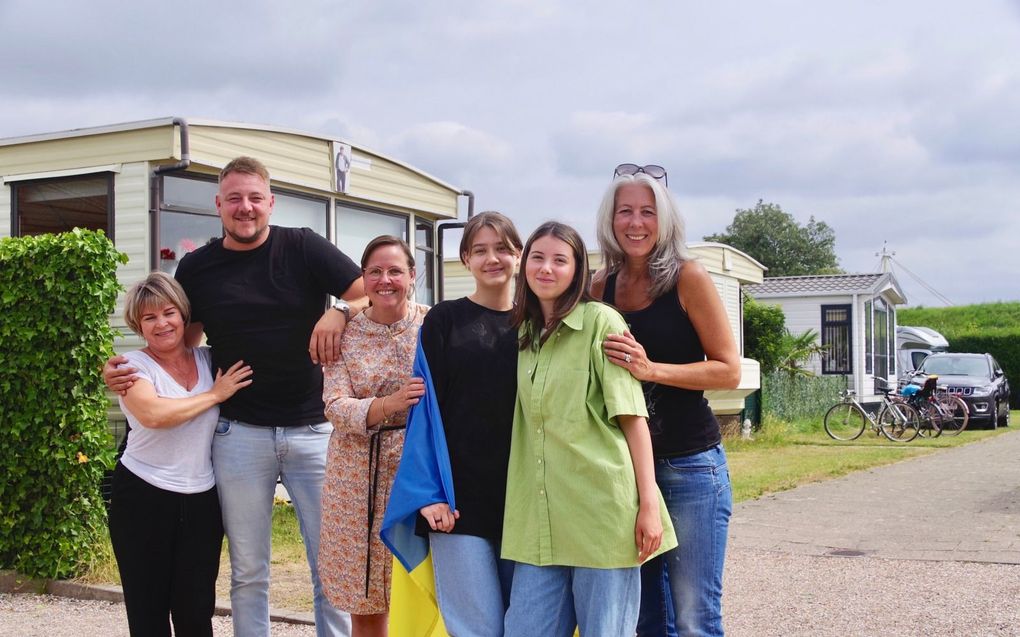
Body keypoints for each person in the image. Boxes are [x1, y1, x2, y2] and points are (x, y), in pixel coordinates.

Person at [104, 156, 366, 637]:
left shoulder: (304, 246)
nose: (245, 208)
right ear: (218, 205)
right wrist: (127, 368)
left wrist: (340, 311)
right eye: (234, 199)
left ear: (270, 202)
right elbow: (176, 335)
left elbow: (369, 288)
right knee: (248, 570)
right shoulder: (199, 267)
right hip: (239, 434)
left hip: (312, 429)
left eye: (254, 198)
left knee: (330, 563)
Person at [501, 221, 677, 637]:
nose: (546, 268)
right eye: (538, 258)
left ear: (577, 270)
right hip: (539, 520)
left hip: (602, 515)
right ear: (524, 265)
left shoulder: (603, 323)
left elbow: (634, 422)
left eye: (559, 260)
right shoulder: (524, 331)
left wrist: (648, 506)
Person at [592, 164, 742, 637]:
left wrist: (650, 369)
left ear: (666, 220)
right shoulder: (600, 287)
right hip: (626, 471)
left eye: (647, 212)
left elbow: (727, 369)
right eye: (625, 212)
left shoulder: (688, 278)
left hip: (691, 467)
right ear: (610, 220)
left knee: (695, 616)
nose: (636, 223)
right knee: (646, 618)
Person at [108, 272, 252, 636]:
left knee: (195, 612)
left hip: (202, 502)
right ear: (138, 325)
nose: (161, 324)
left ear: (184, 315)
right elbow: (154, 415)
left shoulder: (208, 360)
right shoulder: (131, 368)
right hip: (142, 497)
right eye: (149, 317)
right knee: (148, 615)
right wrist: (214, 396)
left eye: (168, 313)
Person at [412, 211, 522, 636]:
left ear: (519, 255)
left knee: (528, 624)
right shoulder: (443, 321)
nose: (491, 258)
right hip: (457, 502)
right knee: (475, 628)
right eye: (480, 250)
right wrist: (427, 493)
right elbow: (424, 413)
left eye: (502, 248)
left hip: (527, 501)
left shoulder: (540, 325)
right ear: (465, 259)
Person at [319, 236, 429, 637]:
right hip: (358, 473)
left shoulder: (433, 324)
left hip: (418, 467)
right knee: (365, 594)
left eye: (395, 271)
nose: (386, 280)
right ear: (363, 279)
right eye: (375, 272)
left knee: (422, 584)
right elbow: (334, 405)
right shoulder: (343, 335)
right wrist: (390, 404)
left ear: (412, 276)